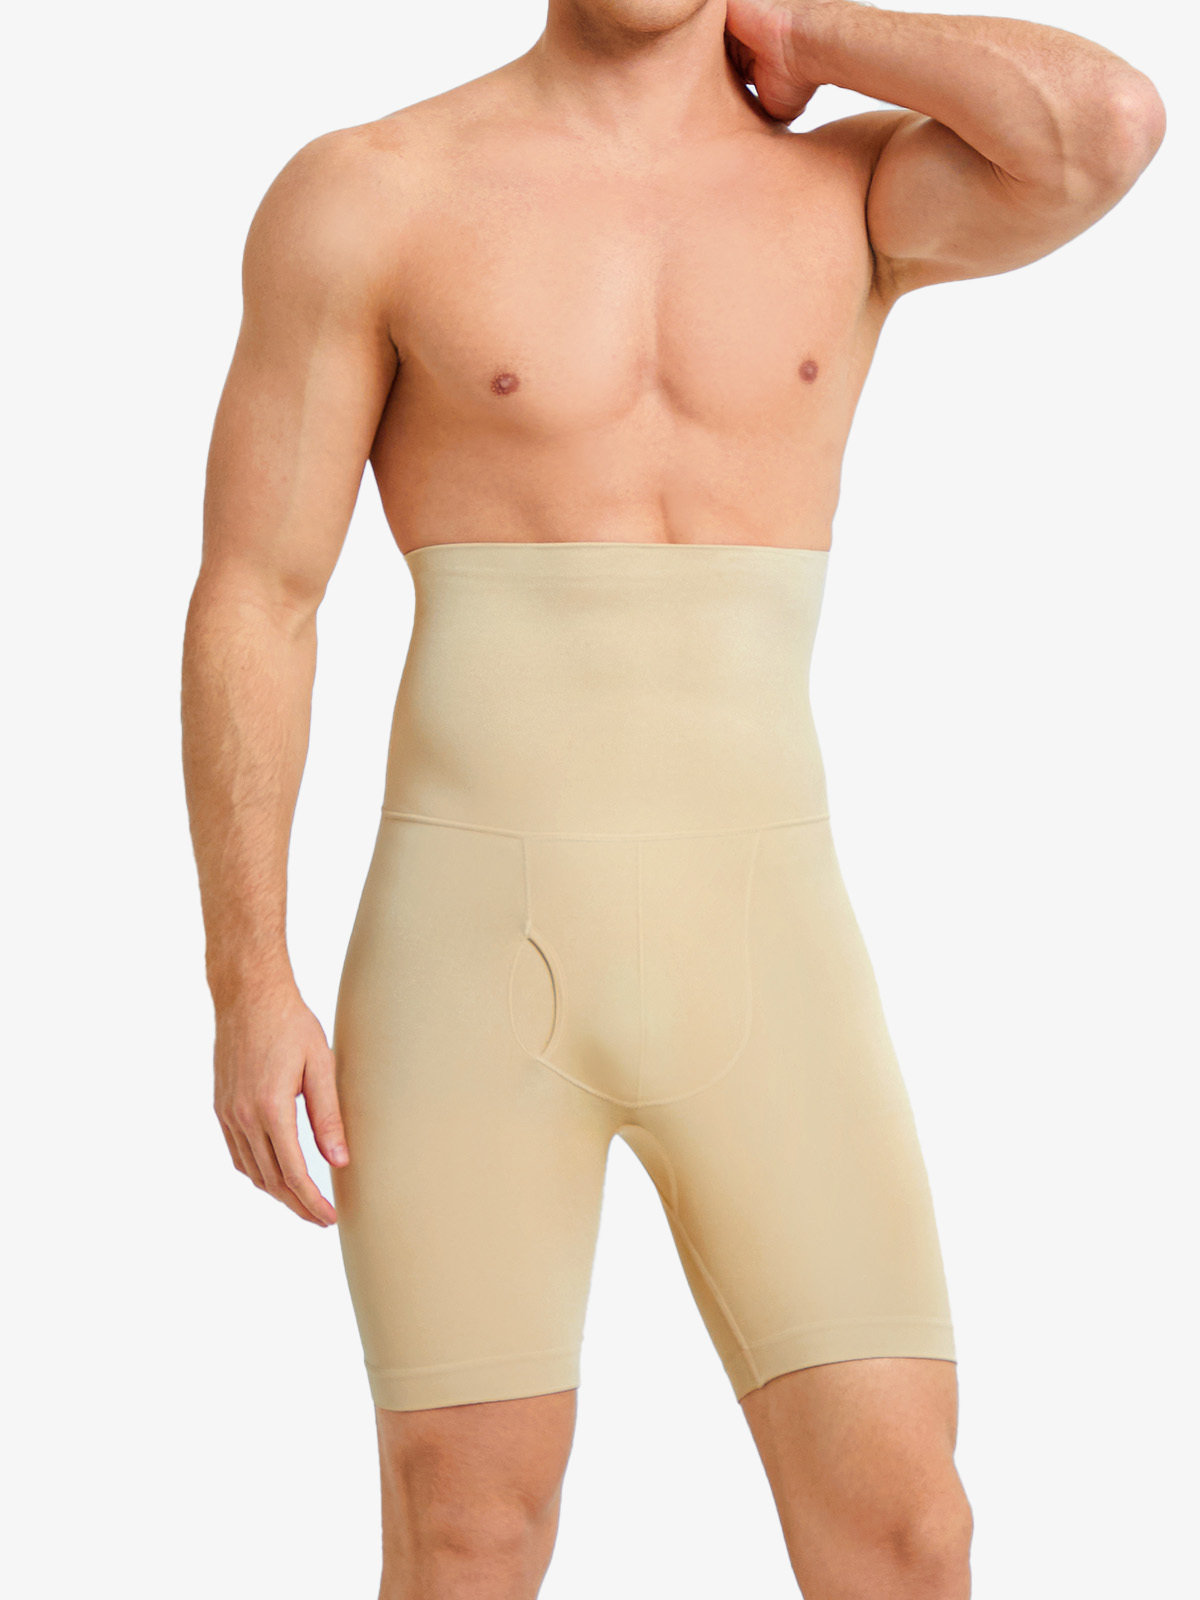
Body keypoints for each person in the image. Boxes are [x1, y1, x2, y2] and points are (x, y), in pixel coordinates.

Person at [181, 2, 1164, 1595]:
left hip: (767, 944)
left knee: (909, 1532)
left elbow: (1104, 127)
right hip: (468, 956)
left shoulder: (854, 193)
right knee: (469, 1531)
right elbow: (258, 595)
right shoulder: (373, 192)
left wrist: (814, 30)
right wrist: (248, 977)